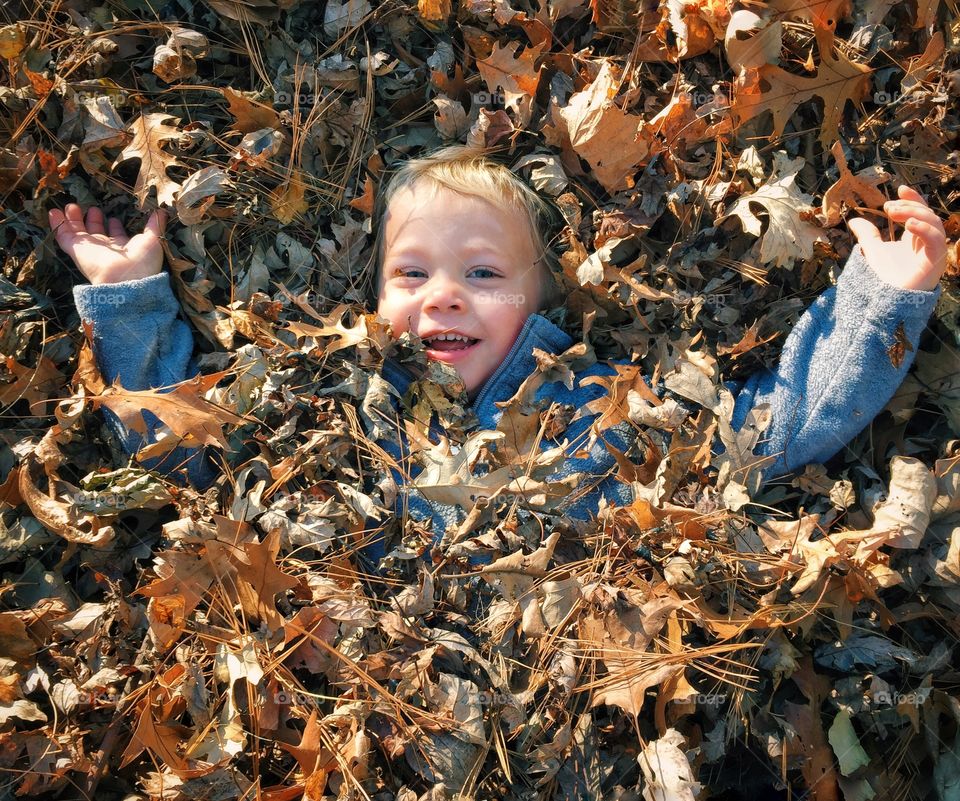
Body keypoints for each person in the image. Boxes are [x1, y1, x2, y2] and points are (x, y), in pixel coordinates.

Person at [50, 145, 947, 568]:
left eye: (481, 272)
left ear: (537, 302)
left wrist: (879, 300)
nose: (442, 294)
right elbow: (181, 452)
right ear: (371, 306)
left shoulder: (600, 409)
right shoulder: (324, 407)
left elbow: (772, 426)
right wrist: (132, 303)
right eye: (412, 273)